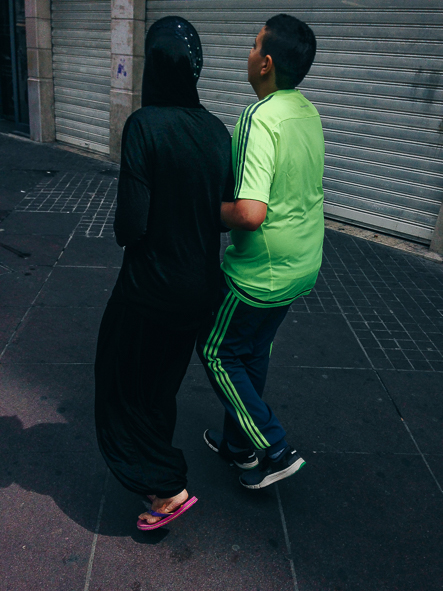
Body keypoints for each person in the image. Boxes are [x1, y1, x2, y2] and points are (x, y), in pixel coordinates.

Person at [94, 16, 233, 529]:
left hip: (150, 289)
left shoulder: (144, 125)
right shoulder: (217, 131)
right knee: (159, 387)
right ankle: (159, 487)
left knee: (119, 383)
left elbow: (130, 226)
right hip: (200, 290)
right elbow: (223, 212)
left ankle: (168, 485)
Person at [197, 14, 324, 489]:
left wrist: (203, 209)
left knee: (216, 352)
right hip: (301, 264)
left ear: (266, 63)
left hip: (259, 272)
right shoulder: (307, 112)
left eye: (253, 46)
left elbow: (250, 213)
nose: (248, 54)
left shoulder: (259, 116)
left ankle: (273, 446)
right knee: (251, 352)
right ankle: (238, 447)